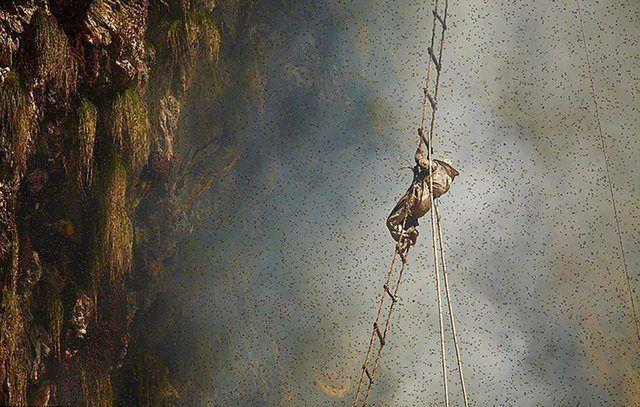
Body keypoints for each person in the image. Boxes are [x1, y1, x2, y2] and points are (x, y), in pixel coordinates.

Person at [386, 144, 459, 261]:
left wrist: (419, 154)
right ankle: (408, 236)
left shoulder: (436, 167)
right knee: (409, 217)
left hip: (418, 195)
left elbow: (421, 162)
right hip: (426, 205)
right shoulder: (446, 182)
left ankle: (403, 236)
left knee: (392, 221)